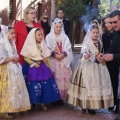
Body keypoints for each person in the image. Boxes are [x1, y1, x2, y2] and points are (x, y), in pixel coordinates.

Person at [67, 24, 114, 114]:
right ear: (90, 33)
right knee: (86, 85)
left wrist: (100, 55)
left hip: (97, 67)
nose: (95, 34)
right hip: (87, 66)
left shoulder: (100, 42)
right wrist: (86, 55)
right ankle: (84, 105)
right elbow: (84, 52)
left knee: (95, 85)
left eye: (97, 33)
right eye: (93, 33)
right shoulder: (86, 43)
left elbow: (100, 52)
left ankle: (92, 106)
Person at [20, 28, 61, 111]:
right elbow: (26, 57)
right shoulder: (29, 45)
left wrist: (51, 67)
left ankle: (43, 103)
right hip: (33, 69)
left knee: (44, 85)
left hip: (42, 68)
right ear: (33, 36)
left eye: (41, 34)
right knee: (33, 85)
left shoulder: (43, 45)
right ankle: (32, 102)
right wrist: (33, 63)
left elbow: (46, 57)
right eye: (38, 35)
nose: (40, 36)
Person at [0, 25, 31, 118]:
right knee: (7, 90)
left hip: (14, 69)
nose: (14, 35)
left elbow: (14, 55)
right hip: (6, 71)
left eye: (14, 33)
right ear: (6, 34)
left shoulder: (11, 43)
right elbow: (2, 59)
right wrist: (12, 58)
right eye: (11, 33)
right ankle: (5, 110)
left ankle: (14, 108)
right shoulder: (2, 44)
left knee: (14, 89)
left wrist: (15, 58)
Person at [45, 18, 73, 103]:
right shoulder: (49, 37)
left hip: (63, 59)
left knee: (64, 78)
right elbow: (47, 48)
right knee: (55, 78)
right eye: (57, 27)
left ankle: (61, 97)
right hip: (54, 60)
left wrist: (63, 54)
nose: (58, 28)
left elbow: (68, 48)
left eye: (60, 27)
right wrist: (55, 55)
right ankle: (54, 97)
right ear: (53, 27)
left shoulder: (65, 37)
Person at [102, 10, 120, 119]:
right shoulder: (116, 33)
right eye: (111, 22)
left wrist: (113, 56)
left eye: (115, 22)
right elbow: (112, 48)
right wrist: (103, 55)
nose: (113, 25)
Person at [102, 14, 115, 110]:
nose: (107, 25)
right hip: (107, 62)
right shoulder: (104, 35)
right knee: (109, 82)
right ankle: (111, 102)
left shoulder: (117, 34)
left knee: (115, 82)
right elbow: (105, 49)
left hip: (116, 61)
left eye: (109, 22)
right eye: (105, 23)